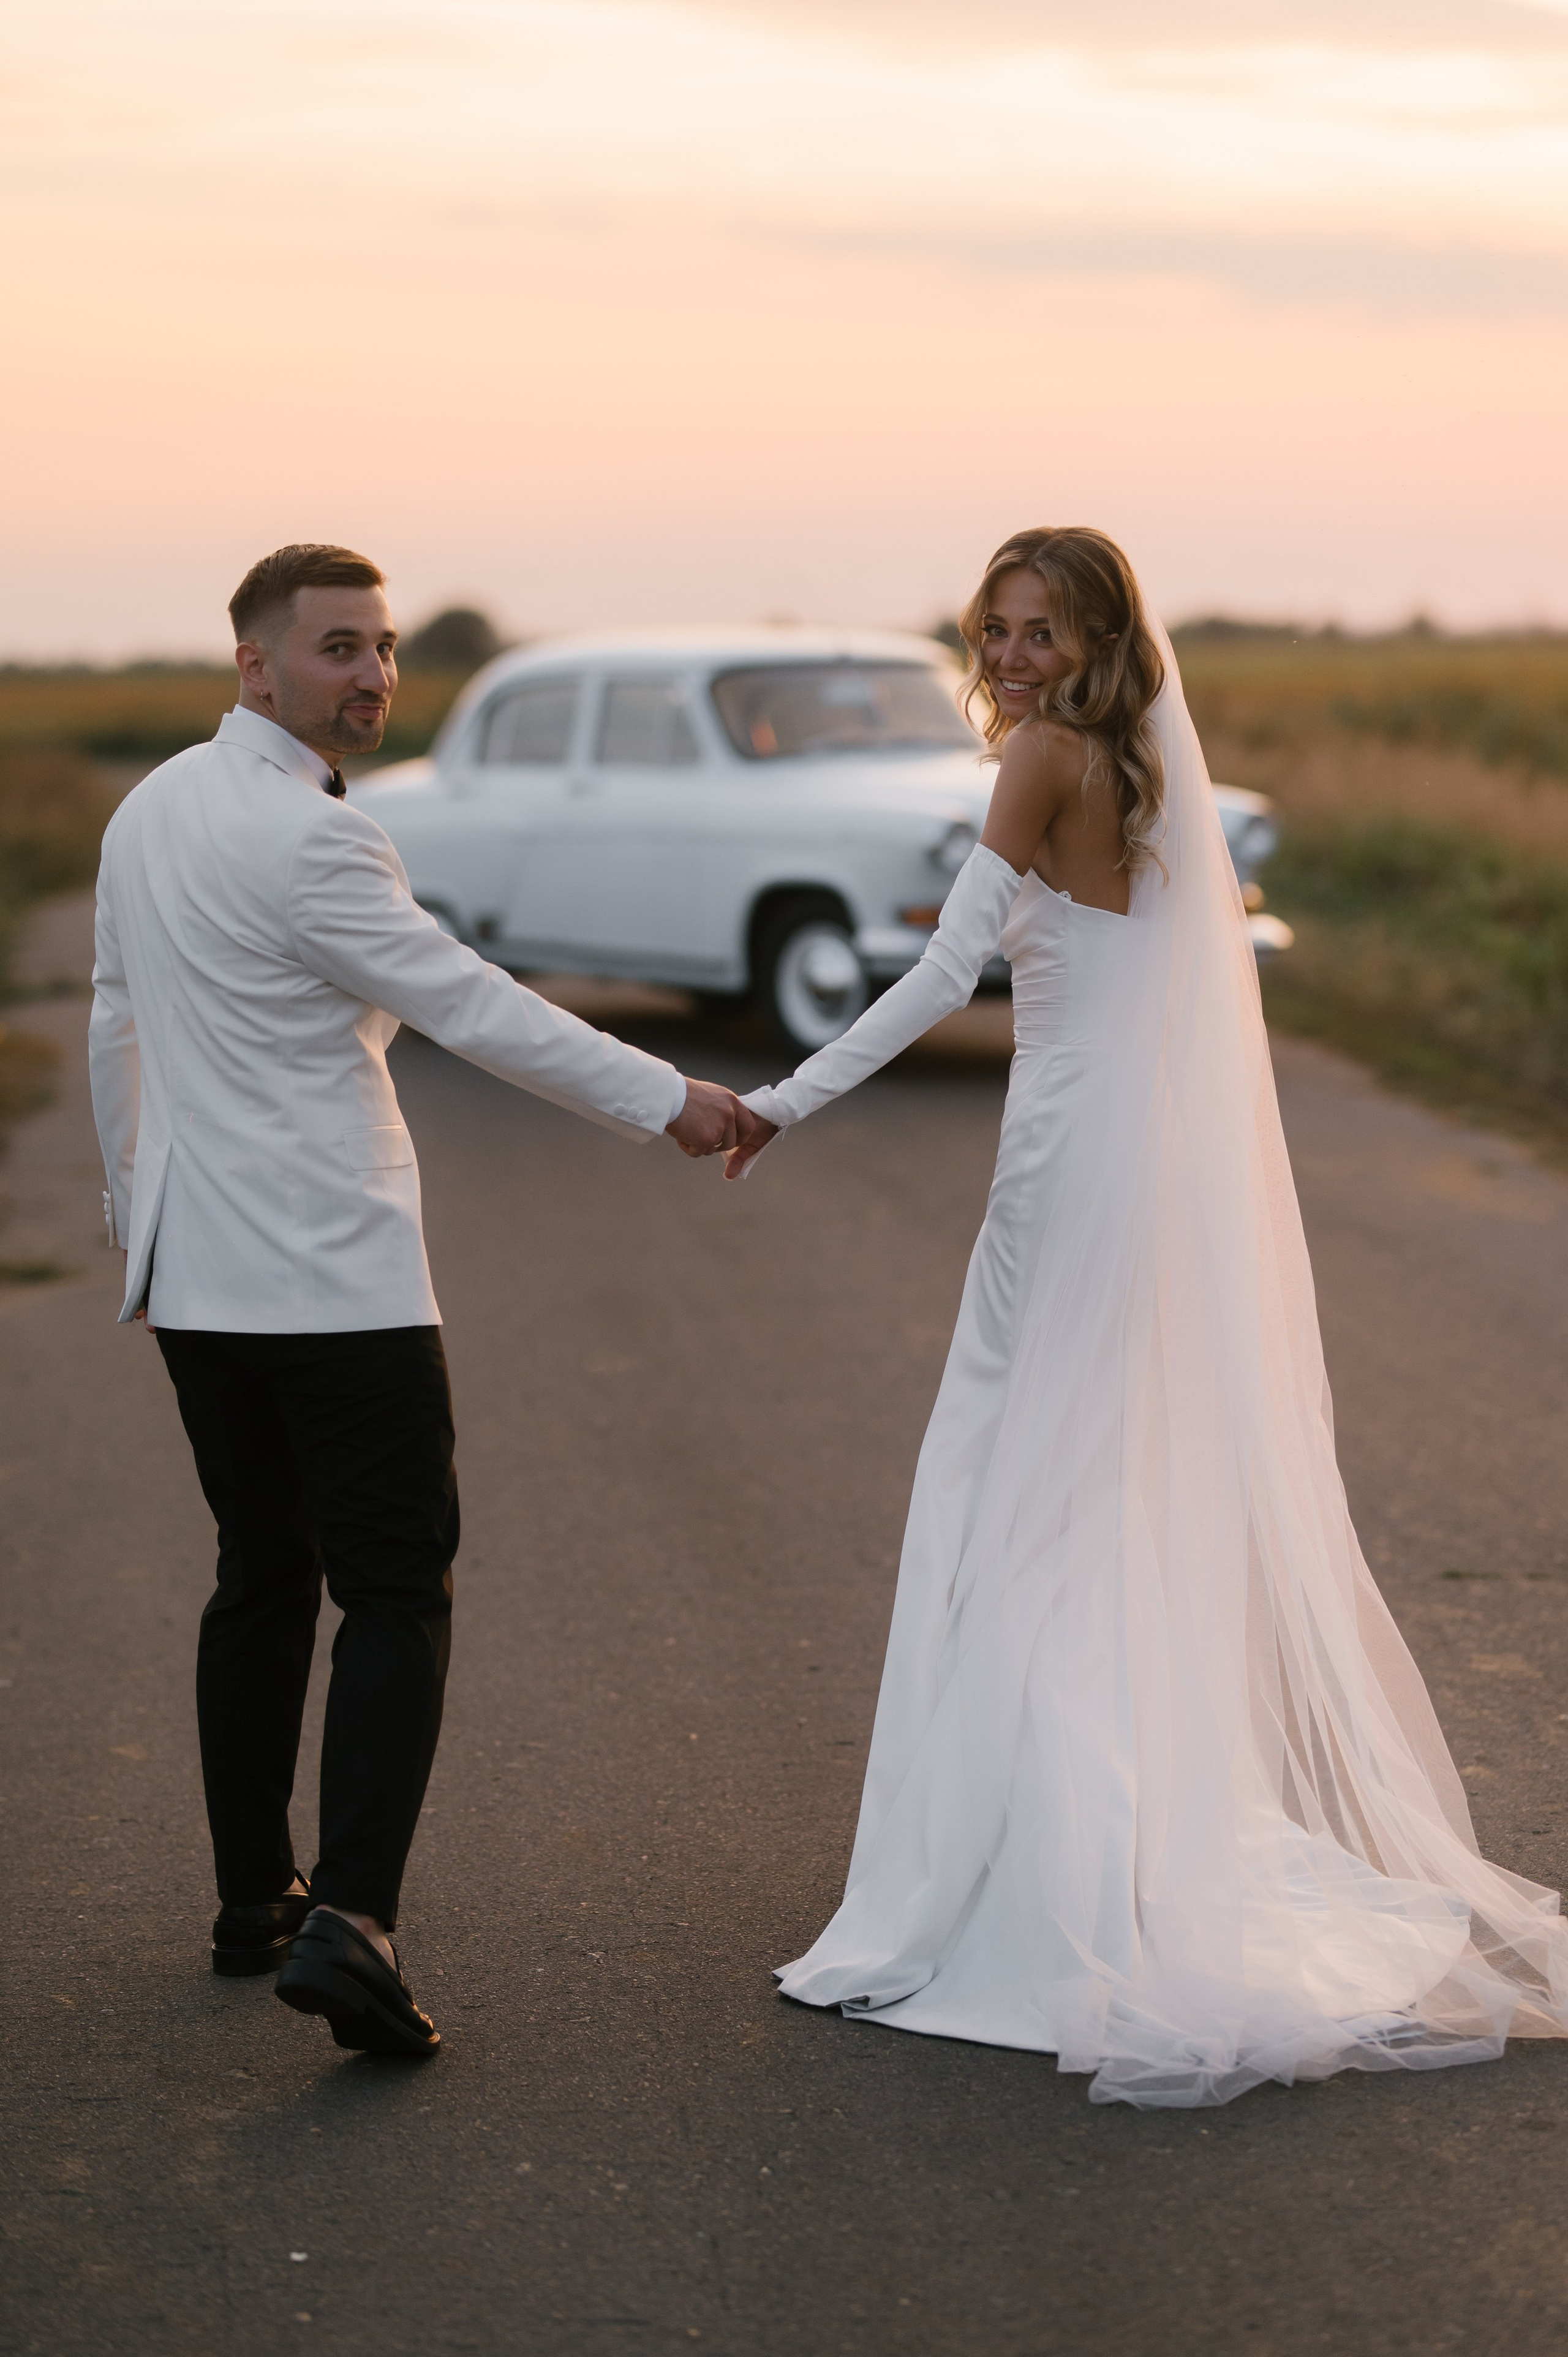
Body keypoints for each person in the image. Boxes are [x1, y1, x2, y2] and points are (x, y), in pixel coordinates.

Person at [725, 526, 1568, 2108]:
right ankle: (1113, 1841)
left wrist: (781, 1100)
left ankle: (1034, 1877)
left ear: (1099, 638)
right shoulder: (1152, 770)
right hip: (1142, 1158)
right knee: (1096, 1488)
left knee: (1019, 1486)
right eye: (998, 626)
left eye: (1040, 629)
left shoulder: (1041, 761)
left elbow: (944, 978)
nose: (1012, 655)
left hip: (1067, 1170)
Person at [89, 543, 754, 2059]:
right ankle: (357, 1924)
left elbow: (116, 1027)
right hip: (335, 1285)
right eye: (337, 647)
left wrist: (141, 1226)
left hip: (199, 1279)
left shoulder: (148, 813)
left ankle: (255, 1893)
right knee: (395, 1588)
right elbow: (470, 1003)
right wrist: (675, 1101)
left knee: (260, 1570)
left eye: (382, 647)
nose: (372, 674)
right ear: (255, 665)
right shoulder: (318, 844)